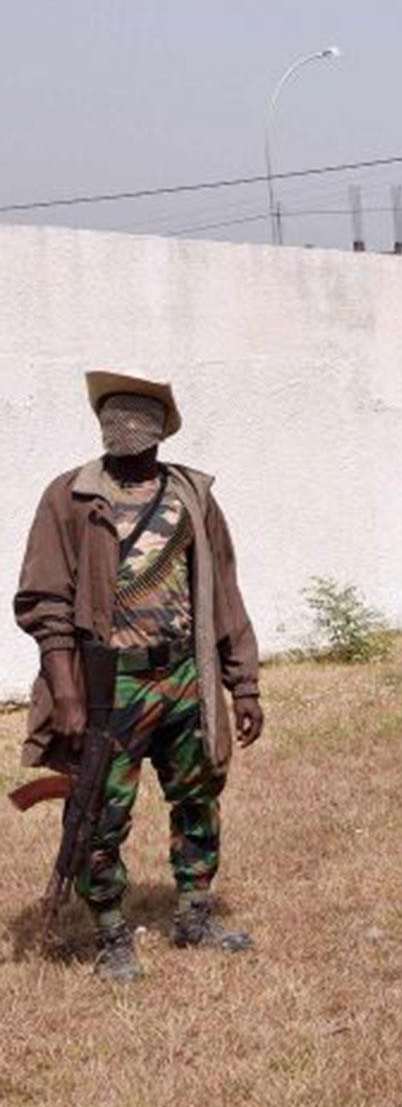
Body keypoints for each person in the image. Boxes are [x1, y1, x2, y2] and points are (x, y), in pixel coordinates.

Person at [14, 372, 265, 982]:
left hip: (185, 673)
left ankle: (195, 912)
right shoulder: (69, 497)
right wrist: (66, 692)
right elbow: (44, 601)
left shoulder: (191, 496)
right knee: (99, 809)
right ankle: (110, 933)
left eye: (139, 432)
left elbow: (222, 594)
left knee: (199, 796)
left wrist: (243, 683)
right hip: (109, 685)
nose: (127, 443)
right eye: (117, 429)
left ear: (159, 434)